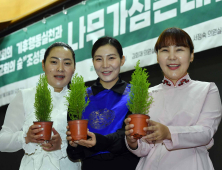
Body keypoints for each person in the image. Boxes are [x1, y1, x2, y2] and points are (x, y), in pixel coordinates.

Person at [125, 27, 222, 170]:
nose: (172, 56)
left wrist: (168, 132)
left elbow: (206, 132)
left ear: (191, 55)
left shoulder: (207, 89)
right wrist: (132, 141)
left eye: (179, 49)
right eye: (164, 50)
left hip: (193, 164)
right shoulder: (147, 94)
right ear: (157, 57)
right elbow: (144, 149)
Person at [0, 42, 81, 170]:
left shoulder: (80, 101)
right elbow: (2, 141)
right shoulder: (25, 96)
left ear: (74, 68)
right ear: (43, 65)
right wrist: (26, 137)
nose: (60, 68)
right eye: (54, 62)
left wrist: (63, 145)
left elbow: (90, 145)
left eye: (67, 63)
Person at [66, 37, 140, 170]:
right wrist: (74, 145)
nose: (105, 65)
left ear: (122, 60)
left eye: (111, 58)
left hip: (127, 165)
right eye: (99, 59)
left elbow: (132, 136)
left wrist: (100, 141)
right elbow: (74, 154)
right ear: (93, 62)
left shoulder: (135, 94)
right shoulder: (79, 98)